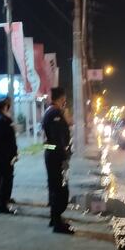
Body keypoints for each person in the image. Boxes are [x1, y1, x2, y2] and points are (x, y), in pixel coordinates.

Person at [42, 87, 74, 234]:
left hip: (52, 154)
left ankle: (55, 219)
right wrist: (64, 156)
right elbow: (58, 138)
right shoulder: (55, 113)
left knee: (55, 187)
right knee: (60, 189)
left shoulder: (49, 111)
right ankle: (57, 223)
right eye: (64, 99)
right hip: (56, 156)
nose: (64, 102)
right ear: (61, 99)